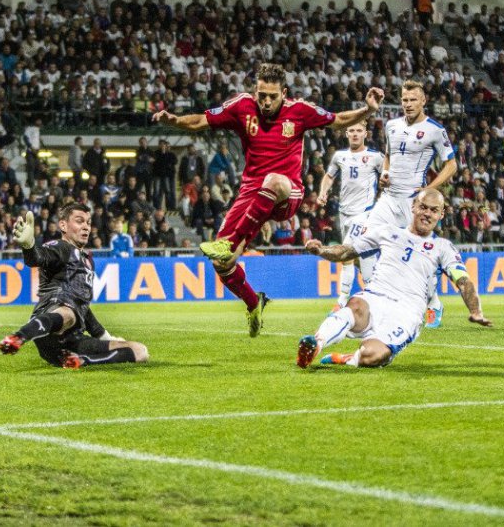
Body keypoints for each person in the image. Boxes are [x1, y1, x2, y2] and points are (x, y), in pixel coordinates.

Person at [153, 62, 381, 337]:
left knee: (273, 182)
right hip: (251, 192)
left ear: (284, 92)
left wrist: (367, 109)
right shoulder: (241, 106)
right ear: (255, 91)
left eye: (273, 96)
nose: (267, 101)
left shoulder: (300, 111)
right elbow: (201, 120)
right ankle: (253, 301)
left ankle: (231, 241)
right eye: (262, 95)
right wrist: (174, 121)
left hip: (288, 191)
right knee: (220, 264)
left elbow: (338, 119)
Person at [297, 189, 492, 369]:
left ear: (441, 215)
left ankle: (348, 358)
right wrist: (321, 250)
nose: (427, 214)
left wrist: (476, 311)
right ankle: (316, 343)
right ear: (413, 206)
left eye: (434, 210)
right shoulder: (388, 232)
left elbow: (463, 281)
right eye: (423, 207)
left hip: (407, 311)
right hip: (375, 296)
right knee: (355, 305)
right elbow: (347, 251)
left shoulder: (443, 247)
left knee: (373, 355)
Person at [0, 203, 148, 368]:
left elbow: (83, 308)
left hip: (72, 340)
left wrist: (105, 336)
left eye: (88, 223)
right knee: (68, 313)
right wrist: (28, 246)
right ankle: (18, 337)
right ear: (63, 225)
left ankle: (79, 361)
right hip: (49, 327)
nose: (86, 227)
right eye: (79, 221)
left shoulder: (88, 260)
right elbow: (37, 258)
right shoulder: (60, 247)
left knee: (140, 351)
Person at [369, 79, 456, 328]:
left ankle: (434, 303)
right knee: (366, 241)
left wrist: (430, 189)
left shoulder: (435, 130)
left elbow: (451, 165)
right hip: (388, 199)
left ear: (423, 101)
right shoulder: (391, 126)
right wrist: (384, 175)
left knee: (421, 255)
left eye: (412, 100)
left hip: (412, 202)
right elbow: (388, 157)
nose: (408, 104)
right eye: (404, 100)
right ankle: (375, 301)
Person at [317, 122, 384, 309]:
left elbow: (388, 177)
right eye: (352, 131)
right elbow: (329, 176)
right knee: (362, 258)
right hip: (344, 213)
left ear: (366, 133)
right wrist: (323, 192)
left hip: (365, 213)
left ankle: (342, 299)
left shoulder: (375, 157)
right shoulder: (340, 156)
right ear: (346, 133)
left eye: (359, 131)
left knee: (345, 252)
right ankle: (377, 294)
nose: (355, 134)